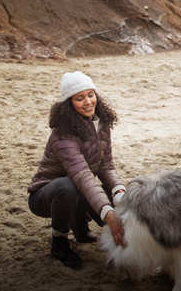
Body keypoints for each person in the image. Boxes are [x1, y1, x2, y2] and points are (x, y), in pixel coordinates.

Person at [27, 71, 127, 269]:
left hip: (78, 187)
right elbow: (82, 175)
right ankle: (59, 243)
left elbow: (106, 166)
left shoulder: (101, 124)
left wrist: (119, 191)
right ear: (69, 104)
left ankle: (79, 222)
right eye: (79, 98)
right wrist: (108, 214)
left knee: (116, 196)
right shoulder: (62, 135)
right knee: (68, 186)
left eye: (91, 94)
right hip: (46, 196)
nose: (88, 101)